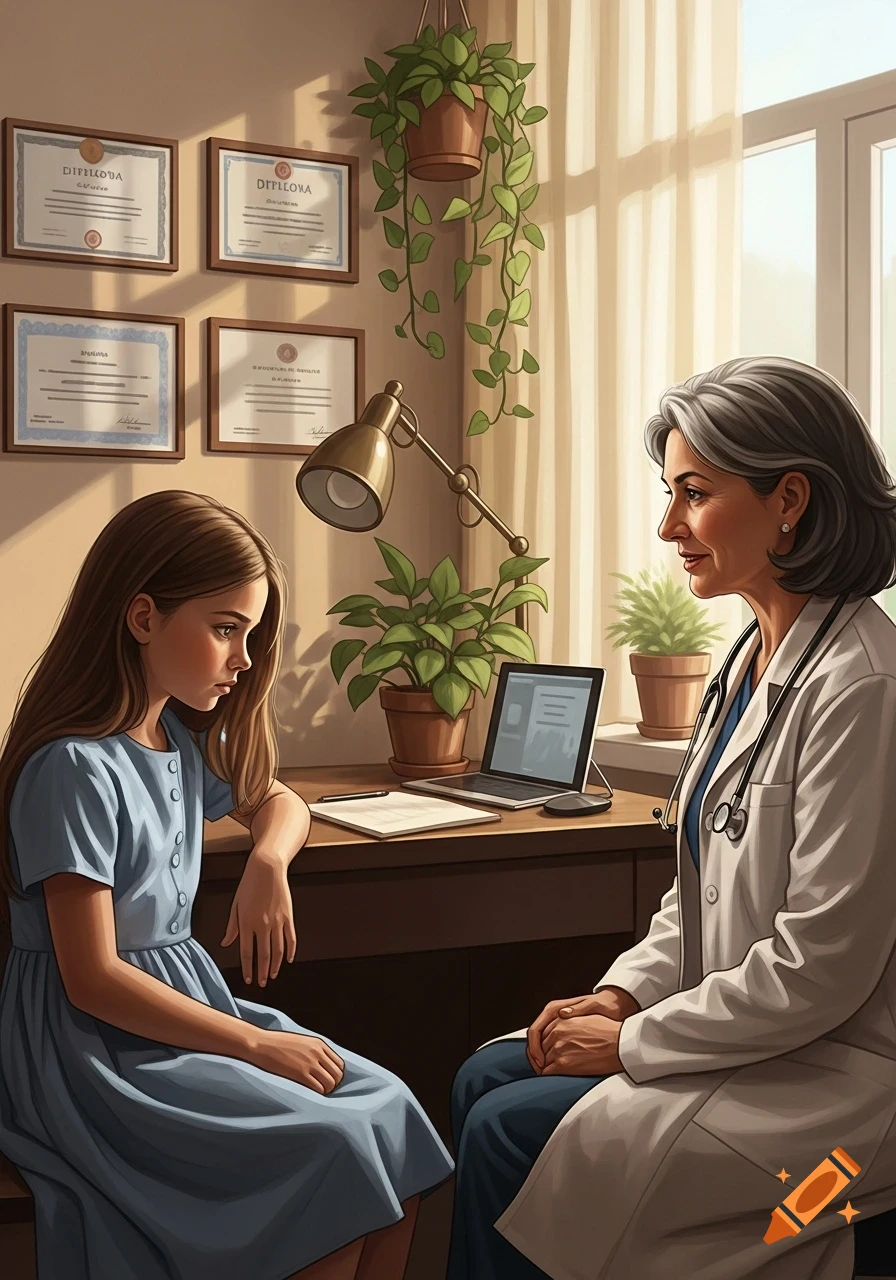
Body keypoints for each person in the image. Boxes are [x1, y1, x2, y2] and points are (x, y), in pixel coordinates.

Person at [447, 356, 896, 1280]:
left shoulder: (867, 686)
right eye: (669, 493)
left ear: (791, 500)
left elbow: (822, 967)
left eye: (693, 494)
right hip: (749, 1035)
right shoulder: (748, 662)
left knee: (505, 1130)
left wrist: (630, 1040)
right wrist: (621, 993)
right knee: (484, 1073)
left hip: (839, 1088)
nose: (668, 527)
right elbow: (699, 895)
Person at [0, 490, 453, 1280]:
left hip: (183, 1013)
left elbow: (279, 801)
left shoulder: (171, 738)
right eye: (225, 629)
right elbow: (92, 977)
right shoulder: (72, 768)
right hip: (98, 1050)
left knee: (390, 1111)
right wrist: (254, 1042)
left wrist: (268, 862)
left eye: (249, 634)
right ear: (142, 618)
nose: (244, 660)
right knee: (335, 1151)